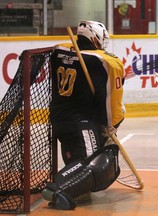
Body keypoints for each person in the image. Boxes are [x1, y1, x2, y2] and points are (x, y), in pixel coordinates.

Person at [41, 20, 126, 210]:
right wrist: (113, 123)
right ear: (95, 38)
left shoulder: (59, 51)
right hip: (82, 122)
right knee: (91, 161)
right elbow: (112, 100)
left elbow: (68, 50)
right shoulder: (106, 61)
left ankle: (74, 187)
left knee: (75, 153)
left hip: (58, 117)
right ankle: (58, 188)